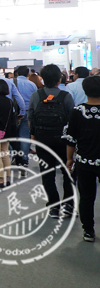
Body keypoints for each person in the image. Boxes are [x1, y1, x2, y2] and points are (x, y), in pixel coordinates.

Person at [28, 64, 75, 218]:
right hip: (63, 140)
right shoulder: (66, 96)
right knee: (68, 171)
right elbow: (72, 119)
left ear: (42, 79)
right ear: (59, 79)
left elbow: (31, 117)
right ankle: (68, 205)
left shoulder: (36, 95)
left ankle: (53, 206)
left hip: (43, 139)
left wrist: (33, 135)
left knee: (47, 173)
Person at [64, 75, 100, 242]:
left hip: (84, 160)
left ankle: (88, 231)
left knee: (86, 197)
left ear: (85, 91)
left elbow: (71, 139)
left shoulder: (77, 111)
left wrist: (69, 159)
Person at [13, 66, 38, 172]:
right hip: (28, 112)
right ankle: (24, 160)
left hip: (14, 112)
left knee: (12, 136)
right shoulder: (32, 84)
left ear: (17, 73)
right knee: (24, 136)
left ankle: (14, 157)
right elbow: (35, 99)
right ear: (28, 74)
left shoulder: (11, 83)